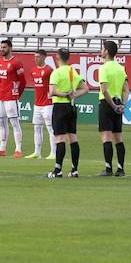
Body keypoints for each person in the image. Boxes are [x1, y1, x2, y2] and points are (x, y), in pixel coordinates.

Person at [47, 48, 87, 179]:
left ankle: (58, 170)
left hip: (60, 106)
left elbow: (52, 91)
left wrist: (63, 94)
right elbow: (85, 89)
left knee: (60, 138)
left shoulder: (56, 73)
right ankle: (74, 170)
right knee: (73, 138)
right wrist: (73, 95)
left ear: (57, 58)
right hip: (71, 106)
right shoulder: (72, 71)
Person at [96, 40, 129, 177]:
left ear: (107, 51)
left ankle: (108, 168)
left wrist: (113, 105)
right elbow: (126, 89)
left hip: (107, 103)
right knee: (118, 137)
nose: (101, 51)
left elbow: (104, 90)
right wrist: (122, 105)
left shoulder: (103, 68)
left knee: (106, 136)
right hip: (118, 101)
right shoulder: (121, 68)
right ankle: (120, 168)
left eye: (102, 49)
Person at [0, 40, 26, 157]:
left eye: (4, 47)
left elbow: (23, 81)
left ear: (10, 48)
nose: (2, 49)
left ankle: (18, 149)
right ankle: (2, 148)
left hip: (11, 97)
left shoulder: (16, 62)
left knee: (14, 123)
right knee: (1, 122)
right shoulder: (0, 61)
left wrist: (17, 94)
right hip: (0, 96)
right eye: (1, 47)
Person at [26, 49, 54, 159]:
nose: (35, 59)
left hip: (47, 104)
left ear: (43, 57)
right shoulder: (33, 70)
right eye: (34, 57)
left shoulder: (49, 70)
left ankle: (53, 153)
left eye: (37, 57)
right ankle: (37, 152)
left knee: (51, 129)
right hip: (37, 104)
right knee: (37, 128)